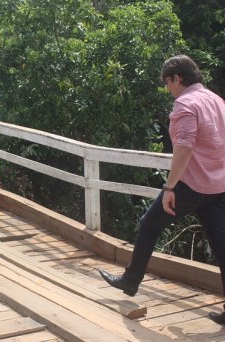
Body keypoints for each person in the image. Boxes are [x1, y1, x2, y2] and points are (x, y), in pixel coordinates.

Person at [99, 54, 225, 323]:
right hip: (218, 186)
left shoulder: (185, 104)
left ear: (176, 78)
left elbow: (185, 147)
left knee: (148, 225)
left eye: (168, 83)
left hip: (190, 186)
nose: (168, 89)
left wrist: (170, 187)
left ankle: (130, 281)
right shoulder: (216, 100)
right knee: (222, 246)